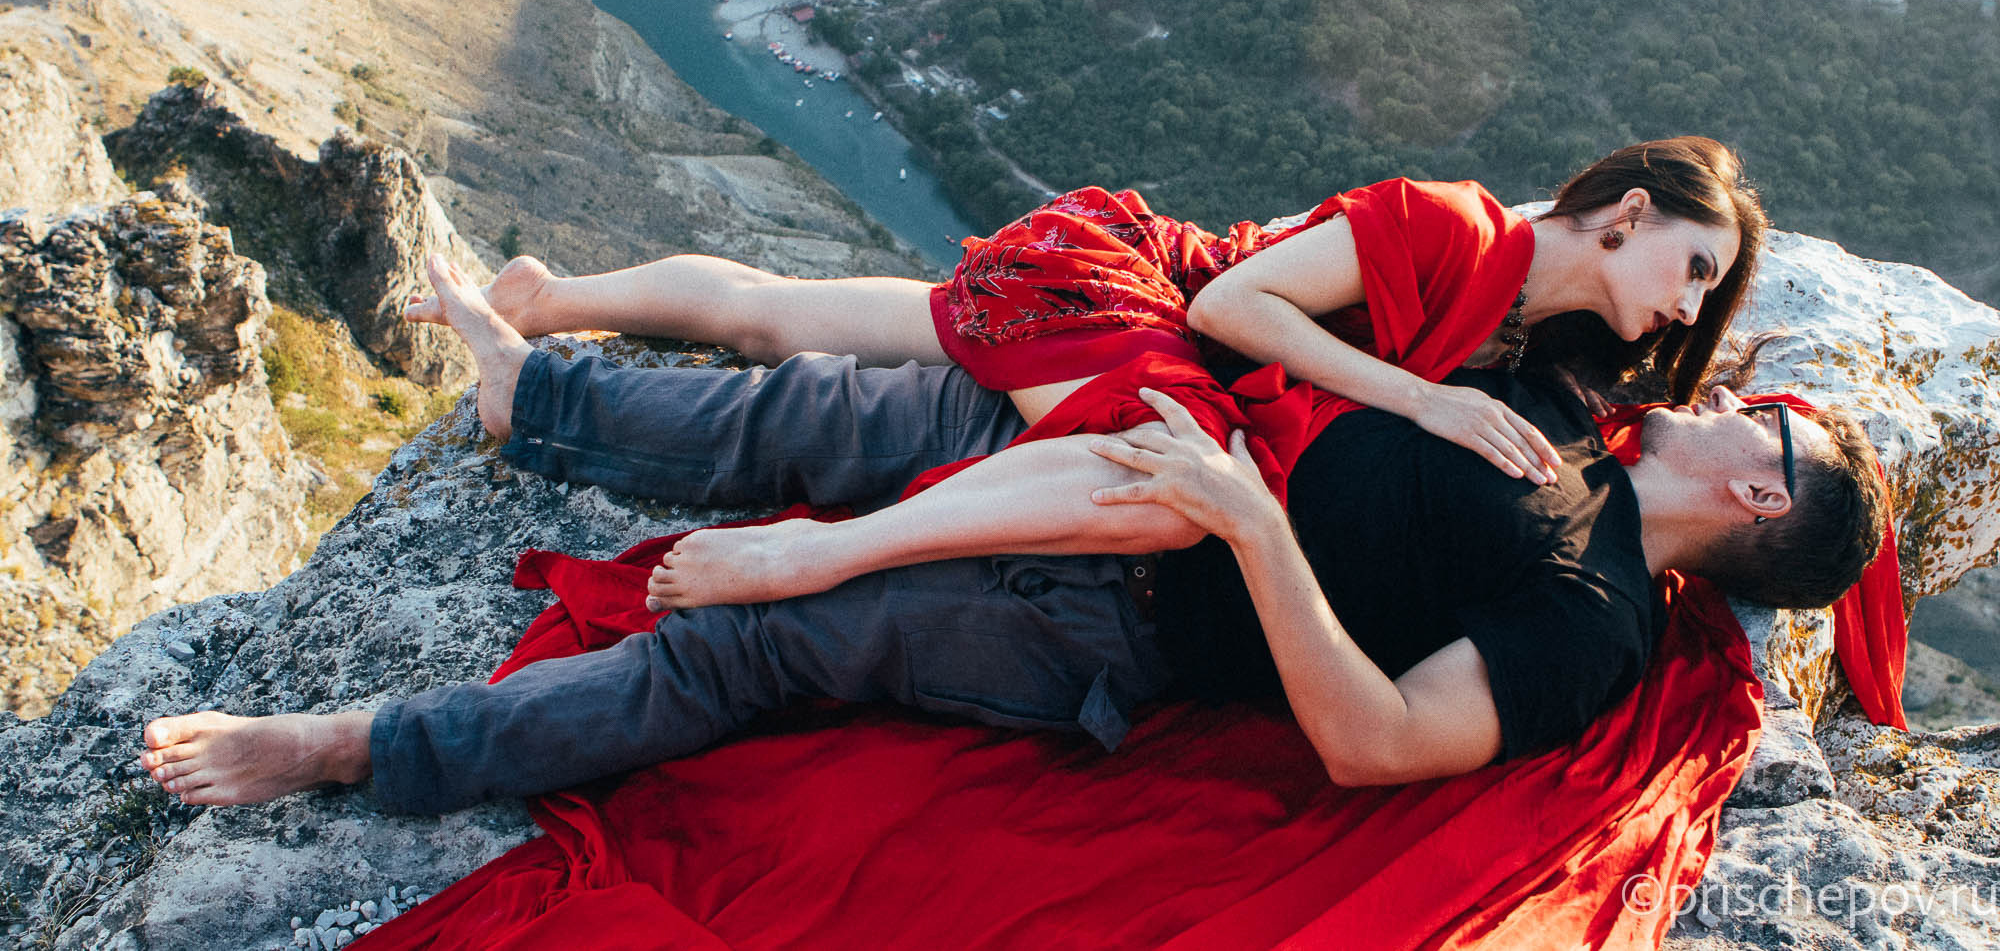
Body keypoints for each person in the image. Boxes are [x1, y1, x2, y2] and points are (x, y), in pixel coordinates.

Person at [135, 257, 1884, 811]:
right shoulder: (1578, 417)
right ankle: (547, 403)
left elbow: (1381, 741)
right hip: (1111, 435)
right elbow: (1616, 231)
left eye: (1774, 418)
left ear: (1753, 492)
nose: (1753, 388)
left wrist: (1250, 530)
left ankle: (350, 744)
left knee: (748, 647)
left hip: (1110, 614)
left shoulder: (1590, 623)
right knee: (804, 408)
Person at [406, 136, 1769, 608]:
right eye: (1695, 273)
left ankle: (548, 299)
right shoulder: (1455, 223)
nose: (1683, 310)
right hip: (1140, 294)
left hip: (1113, 284)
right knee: (1172, 487)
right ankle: (825, 556)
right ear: (1633, 217)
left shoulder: (1532, 304)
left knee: (786, 314)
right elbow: (1238, 308)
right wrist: (1422, 397)